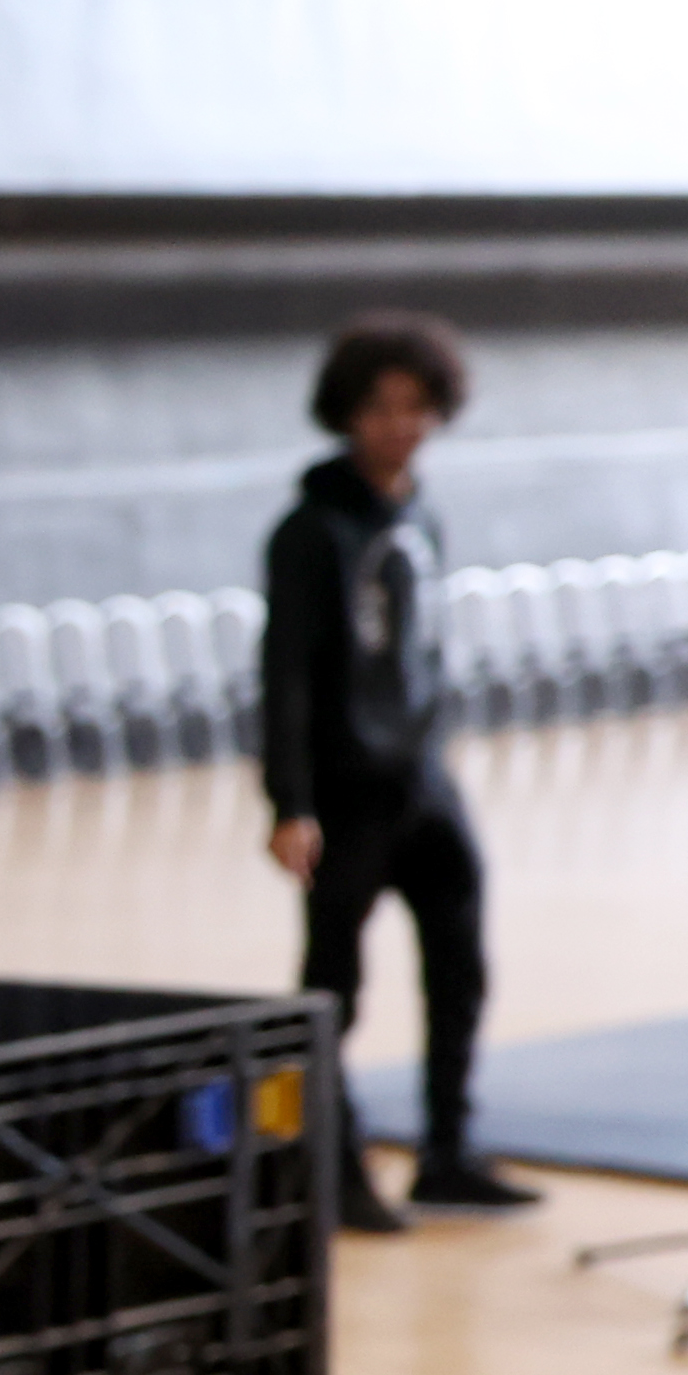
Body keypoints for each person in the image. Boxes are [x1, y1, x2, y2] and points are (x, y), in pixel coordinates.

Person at [262, 312, 538, 1226]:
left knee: (460, 964)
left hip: (424, 777)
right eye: (381, 408)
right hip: (347, 790)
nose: (400, 425)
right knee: (332, 991)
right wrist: (291, 800)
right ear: (347, 414)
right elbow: (287, 674)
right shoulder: (310, 531)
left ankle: (448, 1151)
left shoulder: (421, 514)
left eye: (417, 408)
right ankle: (335, 1170)